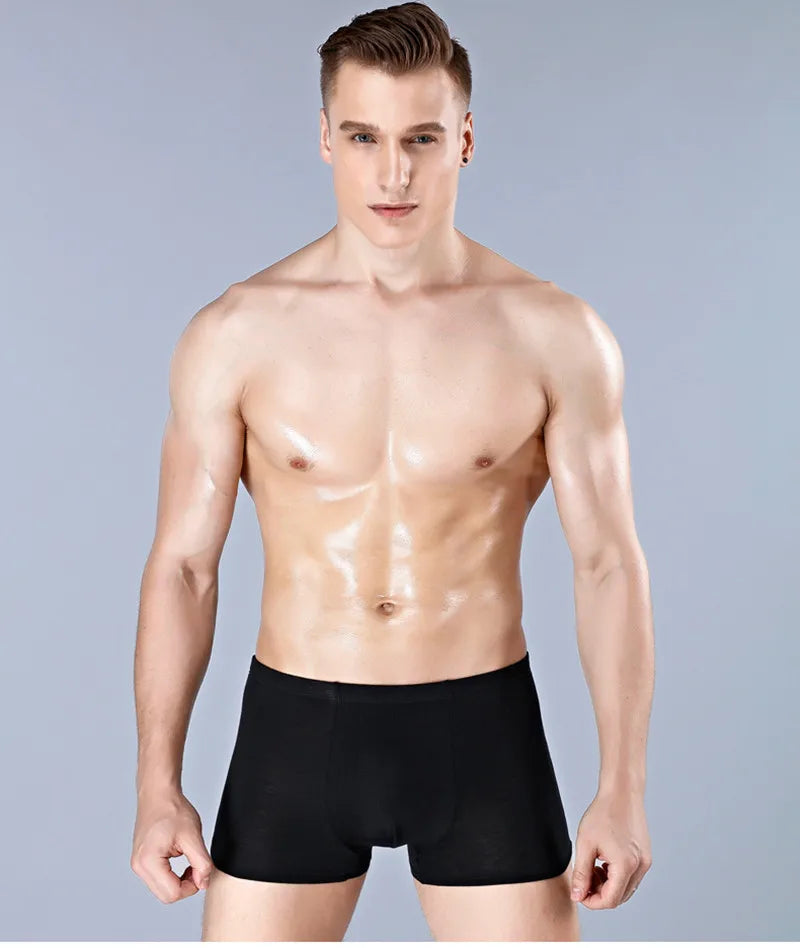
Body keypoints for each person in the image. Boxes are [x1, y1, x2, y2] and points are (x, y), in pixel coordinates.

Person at [130, 1, 654, 940]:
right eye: (364, 136)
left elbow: (608, 565)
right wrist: (156, 785)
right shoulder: (237, 333)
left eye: (422, 137)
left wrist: (622, 790)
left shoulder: (555, 335)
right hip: (296, 728)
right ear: (326, 138)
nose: (394, 172)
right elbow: (183, 567)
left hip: (481, 727)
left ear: (465, 140)